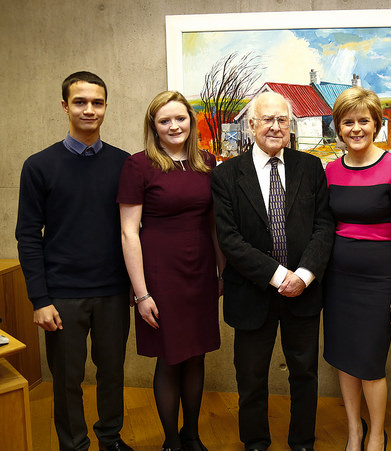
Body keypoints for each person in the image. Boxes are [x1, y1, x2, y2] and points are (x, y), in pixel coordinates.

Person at [211, 91, 334, 451]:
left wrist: (304, 275)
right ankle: (255, 442)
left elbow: (324, 226)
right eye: (267, 119)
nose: (276, 127)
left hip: (304, 293)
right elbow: (229, 239)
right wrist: (280, 276)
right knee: (250, 378)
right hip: (252, 293)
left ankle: (303, 443)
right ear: (251, 125)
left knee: (305, 375)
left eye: (282, 120)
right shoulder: (226, 175)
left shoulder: (310, 167)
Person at [15, 72, 132, 451]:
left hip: (114, 292)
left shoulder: (125, 164)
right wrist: (39, 299)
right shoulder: (39, 165)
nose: (89, 109)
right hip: (62, 295)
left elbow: (135, 231)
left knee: (112, 374)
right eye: (80, 102)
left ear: (106, 107)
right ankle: (74, 445)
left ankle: (110, 438)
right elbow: (28, 236)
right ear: (65, 106)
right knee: (67, 379)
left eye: (97, 102)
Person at [118, 91, 224, 451]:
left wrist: (221, 271)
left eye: (180, 118)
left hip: (201, 272)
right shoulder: (138, 165)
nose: (174, 126)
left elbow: (213, 223)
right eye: (165, 120)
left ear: (190, 122)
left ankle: (191, 436)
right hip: (160, 275)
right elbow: (129, 233)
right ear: (154, 126)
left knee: (196, 355)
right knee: (170, 358)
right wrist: (141, 293)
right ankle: (171, 442)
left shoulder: (206, 162)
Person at [323, 87, 391, 451]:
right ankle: (354, 432)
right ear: (338, 127)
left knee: (370, 363)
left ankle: (376, 434)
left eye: (364, 121)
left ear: (377, 124)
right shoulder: (331, 170)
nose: (356, 128)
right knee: (345, 360)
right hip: (338, 282)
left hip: (379, 282)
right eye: (348, 122)